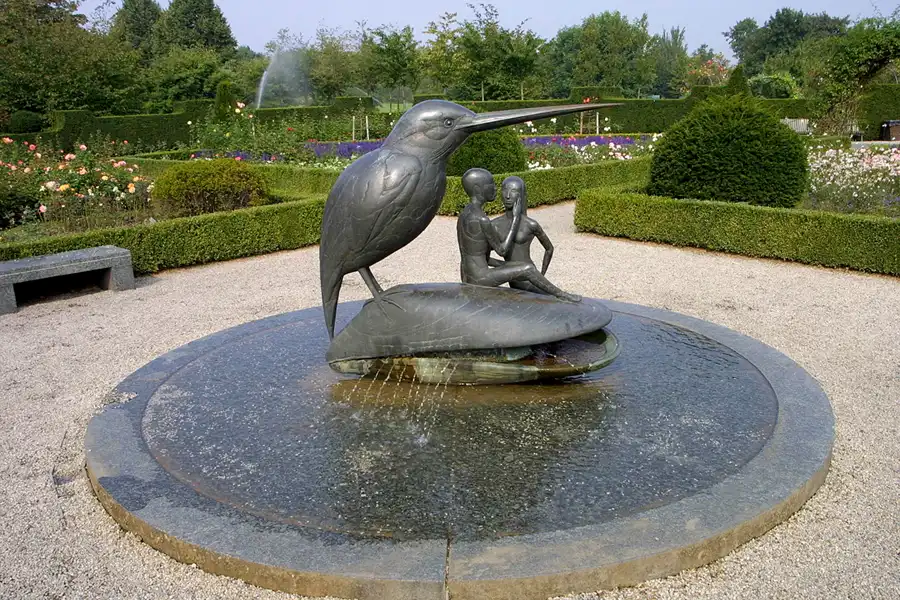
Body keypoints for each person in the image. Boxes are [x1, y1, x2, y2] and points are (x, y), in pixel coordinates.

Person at [457, 168, 580, 302]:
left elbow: (476, 255)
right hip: (480, 278)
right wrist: (515, 219)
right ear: (478, 189)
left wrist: (511, 267)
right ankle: (563, 295)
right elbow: (502, 250)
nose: (495, 189)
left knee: (520, 268)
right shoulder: (483, 220)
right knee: (528, 269)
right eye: (491, 185)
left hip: (468, 276)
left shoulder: (464, 214)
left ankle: (552, 290)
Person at [489, 176, 556, 295]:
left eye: (513, 191)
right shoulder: (494, 225)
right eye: (505, 190)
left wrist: (541, 274)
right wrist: (507, 266)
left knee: (553, 298)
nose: (508, 195)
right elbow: (483, 257)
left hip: (528, 278)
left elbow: (549, 248)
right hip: (513, 277)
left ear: (521, 195)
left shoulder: (530, 224)